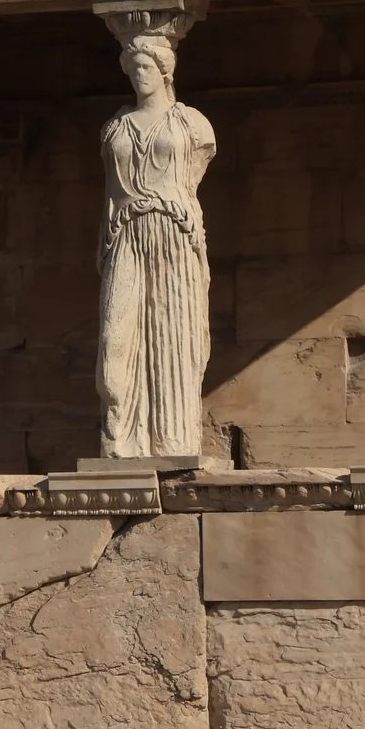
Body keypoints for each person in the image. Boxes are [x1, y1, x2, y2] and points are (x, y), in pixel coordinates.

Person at [98, 31, 217, 459]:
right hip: (126, 234)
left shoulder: (192, 124)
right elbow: (112, 192)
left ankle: (172, 442)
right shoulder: (116, 127)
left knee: (174, 338)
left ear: (165, 71)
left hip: (174, 234)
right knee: (115, 350)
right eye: (132, 69)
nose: (138, 76)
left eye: (145, 67)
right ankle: (123, 438)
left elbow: (195, 172)